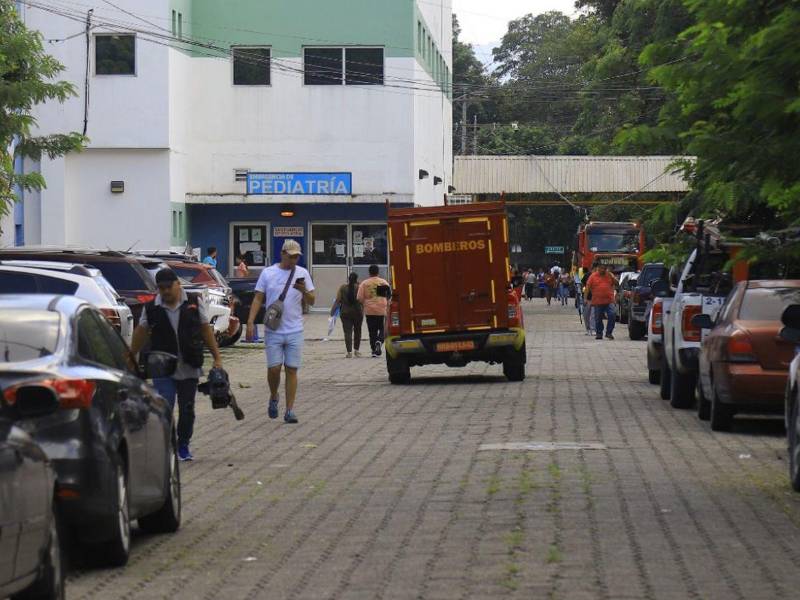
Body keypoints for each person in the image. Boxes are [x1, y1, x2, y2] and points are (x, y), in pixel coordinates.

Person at [131, 268, 223, 461]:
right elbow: (141, 332)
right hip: (162, 366)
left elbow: (206, 330)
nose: (165, 291)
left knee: (187, 408)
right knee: (164, 406)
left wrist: (217, 357)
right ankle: (167, 444)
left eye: (168, 287)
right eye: (161, 288)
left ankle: (183, 444)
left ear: (178, 285)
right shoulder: (151, 308)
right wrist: (130, 355)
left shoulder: (193, 303)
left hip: (189, 364)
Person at [246, 239, 315, 424]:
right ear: (283, 254)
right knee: (274, 369)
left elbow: (313, 300)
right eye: (291, 256)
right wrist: (251, 322)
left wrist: (304, 291)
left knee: (292, 369)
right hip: (273, 329)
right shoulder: (268, 273)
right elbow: (258, 298)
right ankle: (274, 395)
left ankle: (290, 409)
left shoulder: (302, 273)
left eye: (296, 257)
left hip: (295, 329)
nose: (293, 260)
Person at [358, 264, 390, 357]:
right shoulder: (383, 282)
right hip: (381, 309)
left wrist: (365, 303)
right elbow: (389, 295)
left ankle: (373, 350)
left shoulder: (364, 283)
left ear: (369, 272)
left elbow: (359, 298)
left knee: (372, 330)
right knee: (382, 328)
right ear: (378, 272)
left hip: (369, 310)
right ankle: (379, 341)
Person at [586, 262, 619, 340]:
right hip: (597, 301)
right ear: (598, 268)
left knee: (612, 314)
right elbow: (587, 287)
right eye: (601, 268)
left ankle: (609, 333)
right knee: (598, 318)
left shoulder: (609, 275)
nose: (603, 270)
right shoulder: (593, 276)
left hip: (609, 300)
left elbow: (617, 283)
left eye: (604, 268)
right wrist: (585, 299)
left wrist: (613, 277)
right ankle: (599, 333)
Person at [335, 272, 363, 358]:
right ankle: (357, 351)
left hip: (345, 313)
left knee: (347, 332)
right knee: (358, 331)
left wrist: (332, 312)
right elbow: (362, 299)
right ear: (356, 279)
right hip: (358, 312)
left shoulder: (342, 287)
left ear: (348, 279)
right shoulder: (359, 287)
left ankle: (349, 352)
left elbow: (338, 300)